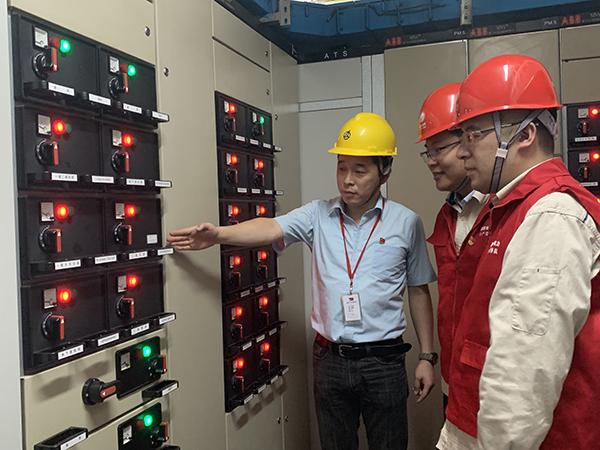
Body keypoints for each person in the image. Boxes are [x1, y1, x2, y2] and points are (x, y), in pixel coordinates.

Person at [168, 112, 438, 450]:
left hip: (383, 361)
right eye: (341, 167)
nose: (347, 180)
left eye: (360, 170)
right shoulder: (317, 215)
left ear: (384, 171)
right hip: (331, 360)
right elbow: (271, 226)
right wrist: (219, 235)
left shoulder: (406, 223)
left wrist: (427, 356)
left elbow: (418, 290)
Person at [436, 54, 600, 450]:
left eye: (473, 135)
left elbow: (523, 375)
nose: (461, 152)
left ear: (524, 135)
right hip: (472, 425)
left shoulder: (551, 217)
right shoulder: (508, 207)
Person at [416, 83, 488, 411]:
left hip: (494, 383)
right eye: (427, 152)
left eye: (438, 150)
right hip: (454, 377)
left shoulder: (501, 209)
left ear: (468, 142)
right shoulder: (447, 215)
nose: (431, 162)